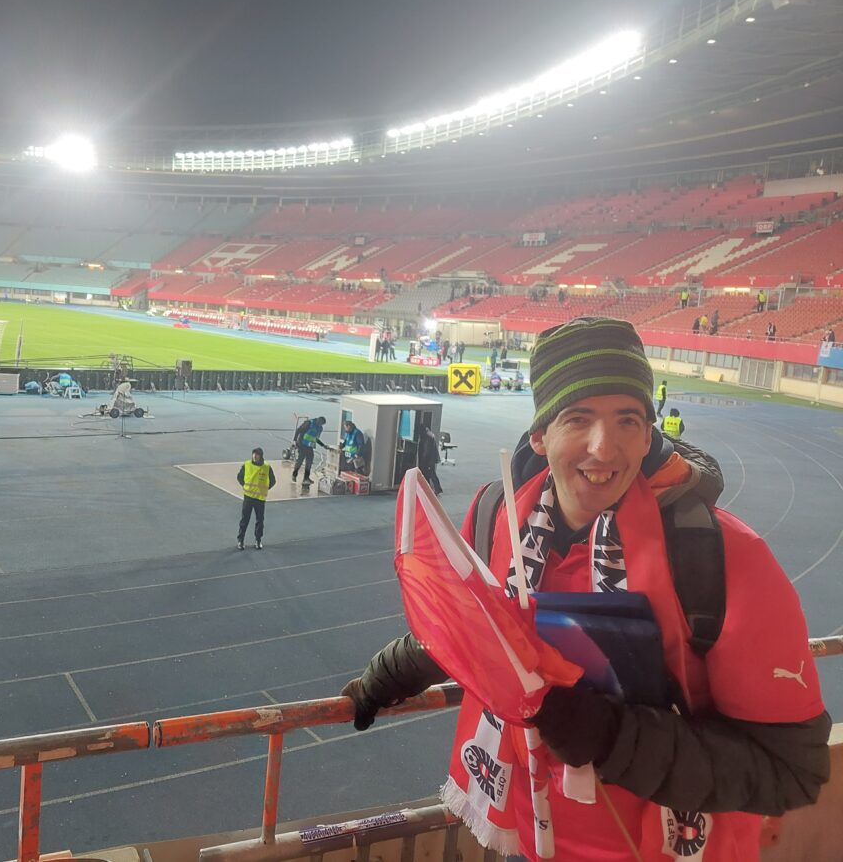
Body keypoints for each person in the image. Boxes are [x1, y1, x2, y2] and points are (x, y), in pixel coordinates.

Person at [342, 317, 828, 862]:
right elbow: (481, 628)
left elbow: (792, 769)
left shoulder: (722, 557)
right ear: (539, 435)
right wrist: (382, 679)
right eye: (578, 418)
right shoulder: (499, 515)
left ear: (648, 433)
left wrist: (614, 738)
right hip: (535, 835)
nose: (604, 447)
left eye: (627, 420)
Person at [236, 448, 275, 550]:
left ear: (261, 456)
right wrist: (245, 486)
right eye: (253, 454)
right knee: (245, 519)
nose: (254, 456)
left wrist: (264, 489)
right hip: (248, 497)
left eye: (257, 454)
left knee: (260, 520)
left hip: (260, 499)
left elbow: (273, 481)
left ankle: (258, 540)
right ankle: (240, 540)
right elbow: (239, 477)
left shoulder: (267, 467)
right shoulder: (247, 465)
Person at [291, 416, 328, 487]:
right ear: (317, 420)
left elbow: (316, 439)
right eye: (320, 423)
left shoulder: (320, 428)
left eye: (321, 424)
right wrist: (294, 440)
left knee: (309, 462)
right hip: (302, 444)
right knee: (300, 460)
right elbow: (298, 430)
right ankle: (294, 474)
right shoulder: (309, 423)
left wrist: (323, 445)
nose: (320, 425)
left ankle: (306, 478)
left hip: (309, 446)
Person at [416, 421, 442, 493]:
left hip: (428, 460)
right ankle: (434, 488)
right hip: (431, 459)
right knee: (431, 473)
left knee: (430, 473)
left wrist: (423, 460)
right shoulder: (429, 435)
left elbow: (426, 451)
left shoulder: (426, 438)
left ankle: (435, 488)